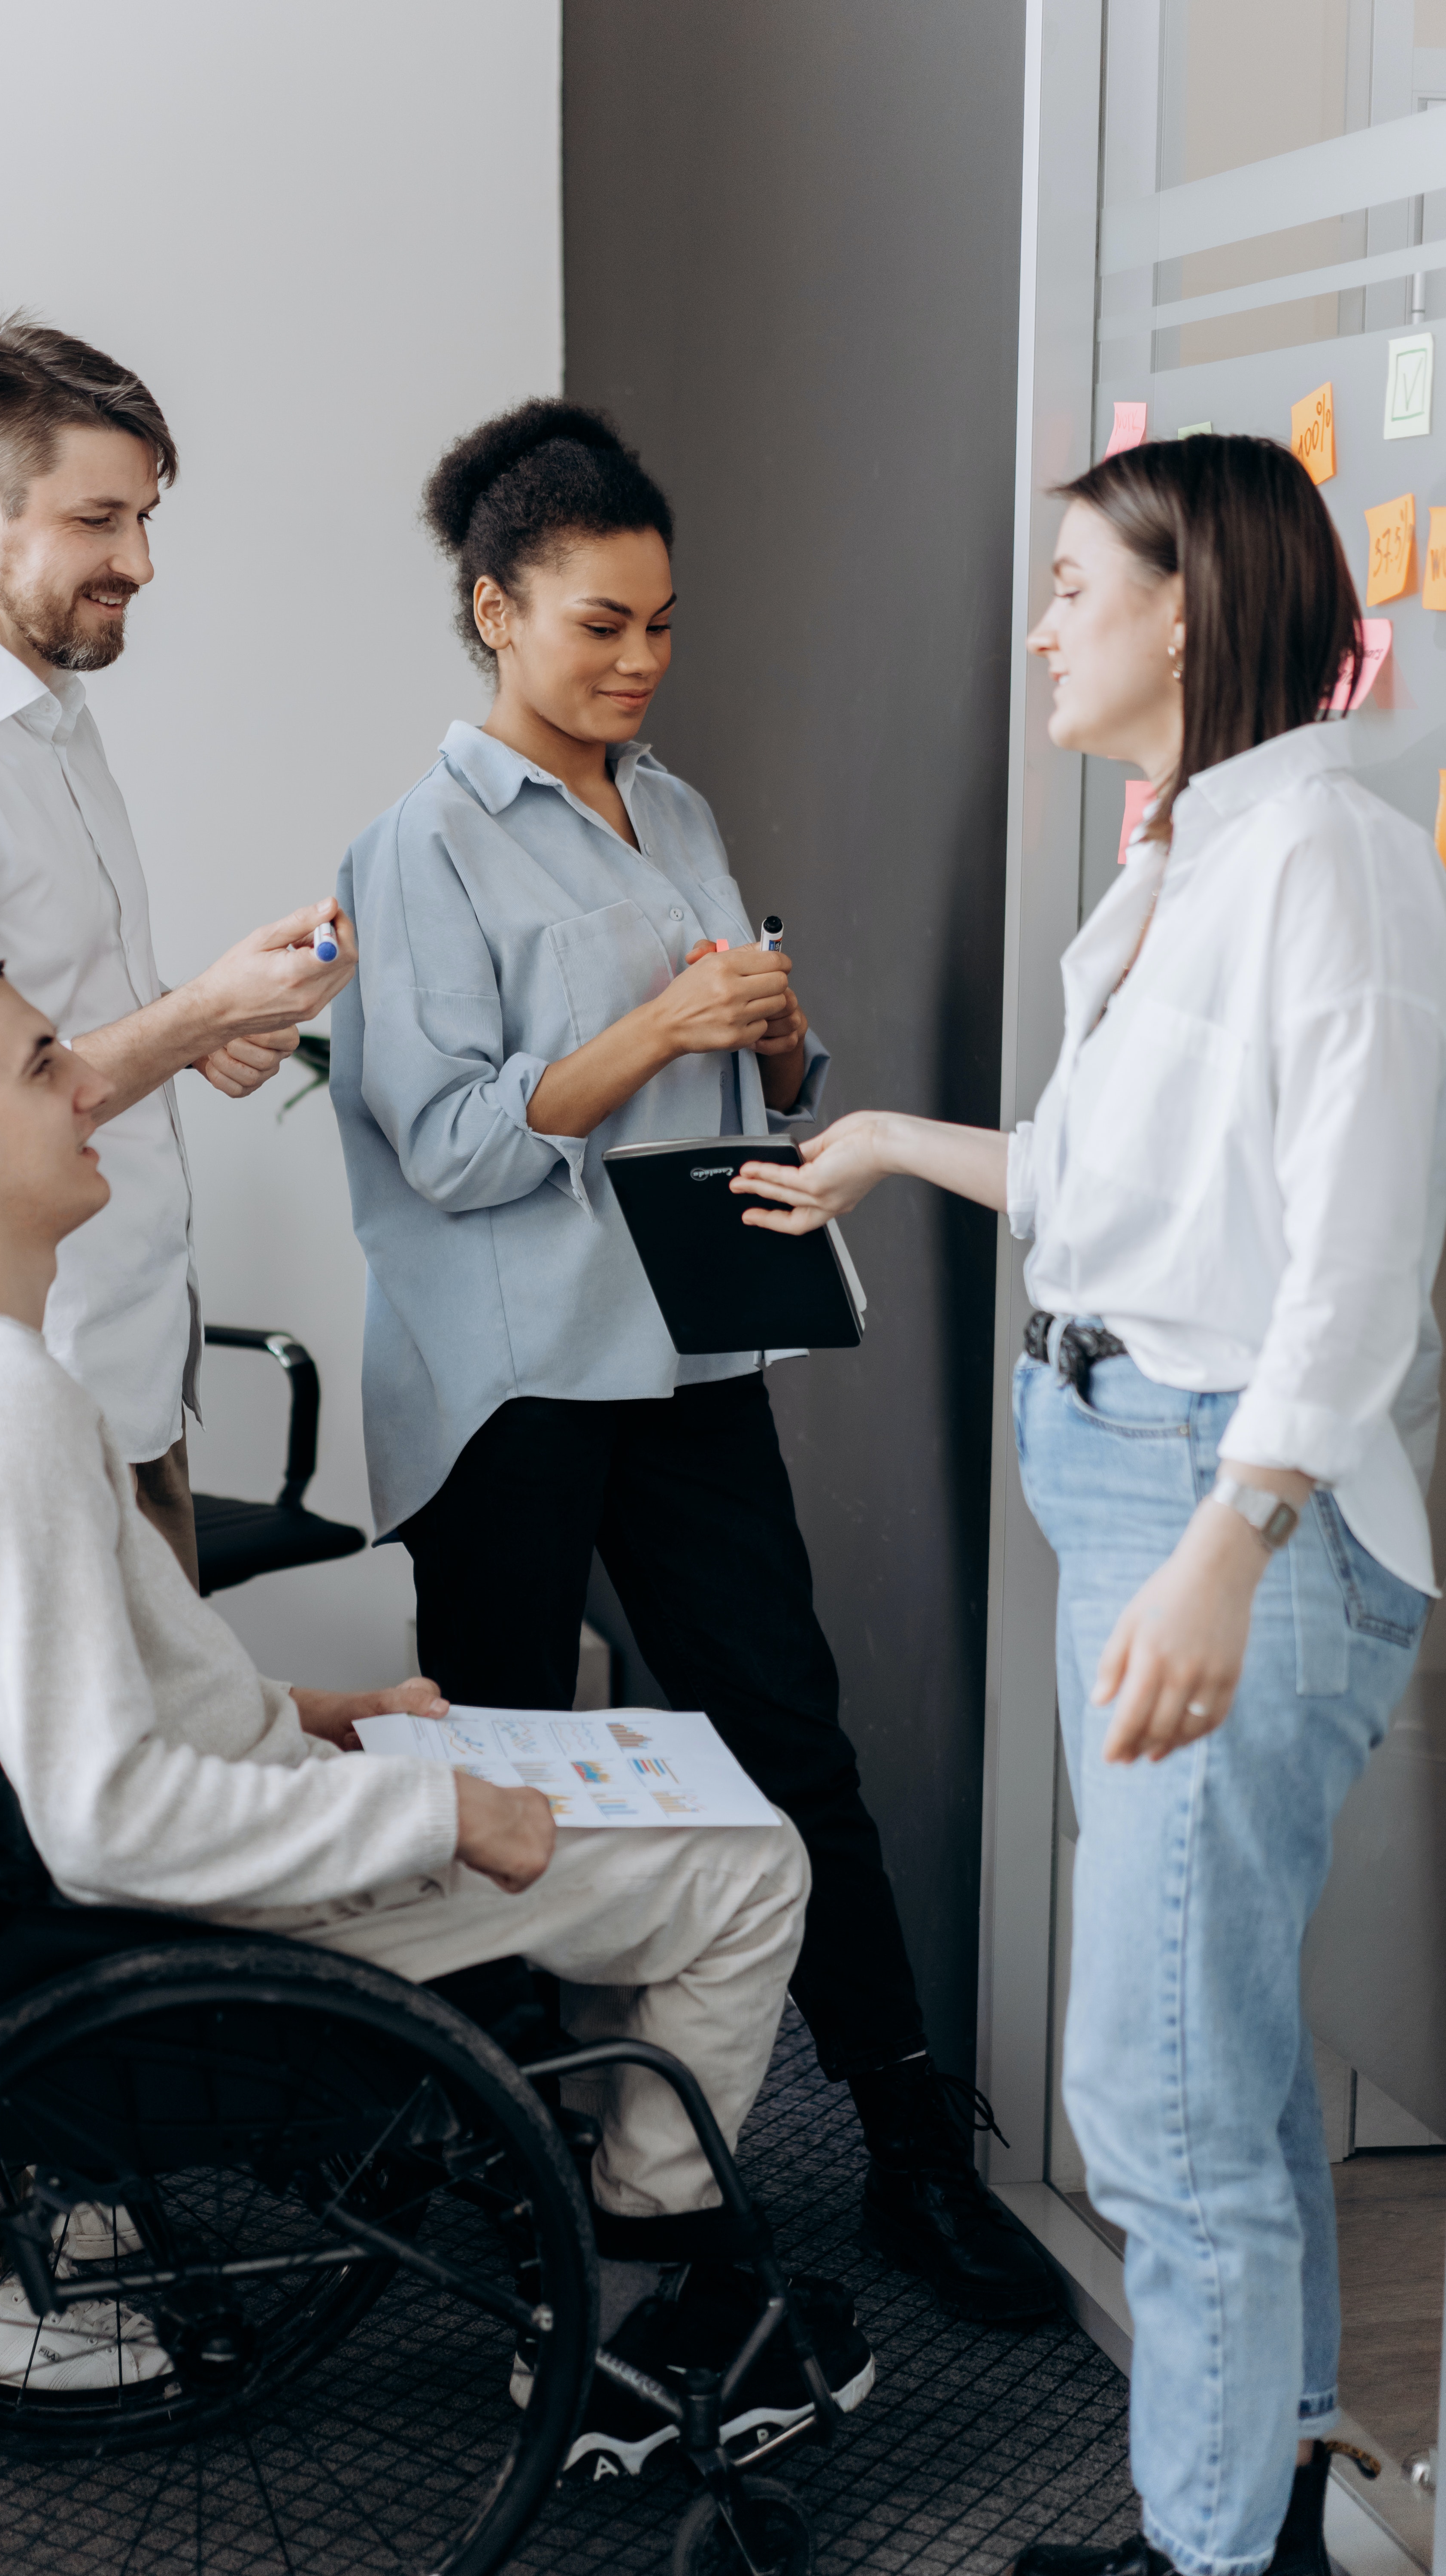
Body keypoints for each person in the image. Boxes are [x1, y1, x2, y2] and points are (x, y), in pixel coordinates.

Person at [0, 945, 872, 2470]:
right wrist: (438, 1806)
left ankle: (577, 2164)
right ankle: (625, 2308)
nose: (94, 1080)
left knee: (599, 1791)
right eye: (44, 1065)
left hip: (71, 1880)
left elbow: (40, 1686)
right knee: (749, 1865)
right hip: (176, 1923)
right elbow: (109, 1819)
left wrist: (310, 1709)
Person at [731, 433, 1446, 2576]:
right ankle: (1273, 2513)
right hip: (1128, 1464)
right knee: (1206, 2056)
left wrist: (1234, 1535)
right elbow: (1126, 1195)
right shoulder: (1184, 866)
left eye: (1071, 584)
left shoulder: (1326, 857)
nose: (1038, 624)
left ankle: (1208, 2556)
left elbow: (1356, 1253)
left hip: (1222, 1501)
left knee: (1156, 2094)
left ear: (1188, 609)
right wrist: (885, 1144)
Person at [329, 397, 1057, 2325]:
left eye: (661, 625)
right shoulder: (416, 852)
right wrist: (663, 1032)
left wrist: (776, 1046)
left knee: (788, 1735)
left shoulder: (680, 810)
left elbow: (740, 1083)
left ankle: (908, 2140)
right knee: (496, 1763)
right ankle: (503, 2150)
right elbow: (460, 1146)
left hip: (688, 1358)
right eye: (598, 626)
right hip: (506, 1381)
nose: (640, 662)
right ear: (495, 612)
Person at [0, 314, 355, 1587]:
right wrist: (196, 1015)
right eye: (99, 521)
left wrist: (201, 1033)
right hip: (29, 1404)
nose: (139, 560)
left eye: (146, 521)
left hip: (126, 1383)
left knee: (181, 1765)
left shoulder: (47, 718)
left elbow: (46, 1021)